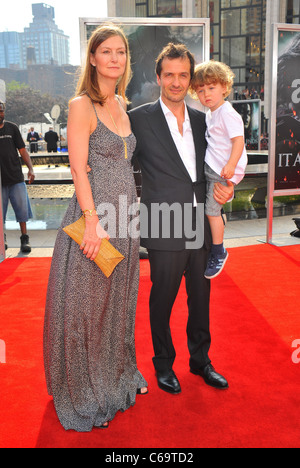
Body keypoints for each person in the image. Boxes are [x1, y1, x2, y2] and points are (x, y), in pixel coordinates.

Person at [43, 24, 147, 433]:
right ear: (92, 58)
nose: (115, 58)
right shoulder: (80, 104)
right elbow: (78, 169)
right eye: (107, 51)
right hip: (95, 221)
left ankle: (116, 375)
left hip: (124, 218)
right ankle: (84, 389)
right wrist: (92, 223)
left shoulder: (121, 102)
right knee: (86, 309)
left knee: (119, 303)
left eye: (121, 51)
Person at [129, 43, 234, 395]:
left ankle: (201, 361)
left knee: (200, 297)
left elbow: (220, 165)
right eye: (170, 74)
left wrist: (228, 188)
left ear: (190, 80)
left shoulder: (206, 120)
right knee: (163, 297)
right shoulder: (137, 118)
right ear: (158, 77)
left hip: (201, 222)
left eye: (183, 75)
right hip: (163, 219)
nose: (176, 82)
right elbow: (121, 168)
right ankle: (163, 364)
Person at [190, 60, 247, 279]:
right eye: (201, 90)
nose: (206, 94)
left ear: (224, 86)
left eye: (211, 88)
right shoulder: (212, 113)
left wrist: (231, 165)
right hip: (214, 168)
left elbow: (238, 141)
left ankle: (218, 250)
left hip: (221, 171)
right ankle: (217, 242)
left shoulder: (226, 112)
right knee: (213, 211)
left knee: (211, 212)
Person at [0, 101, 35, 253]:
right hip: (0, 181)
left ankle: (24, 238)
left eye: (1, 110)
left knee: (22, 211)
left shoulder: (12, 128)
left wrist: (31, 169)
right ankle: (2, 239)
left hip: (16, 178)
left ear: (4, 111)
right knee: (0, 214)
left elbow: (22, 151)